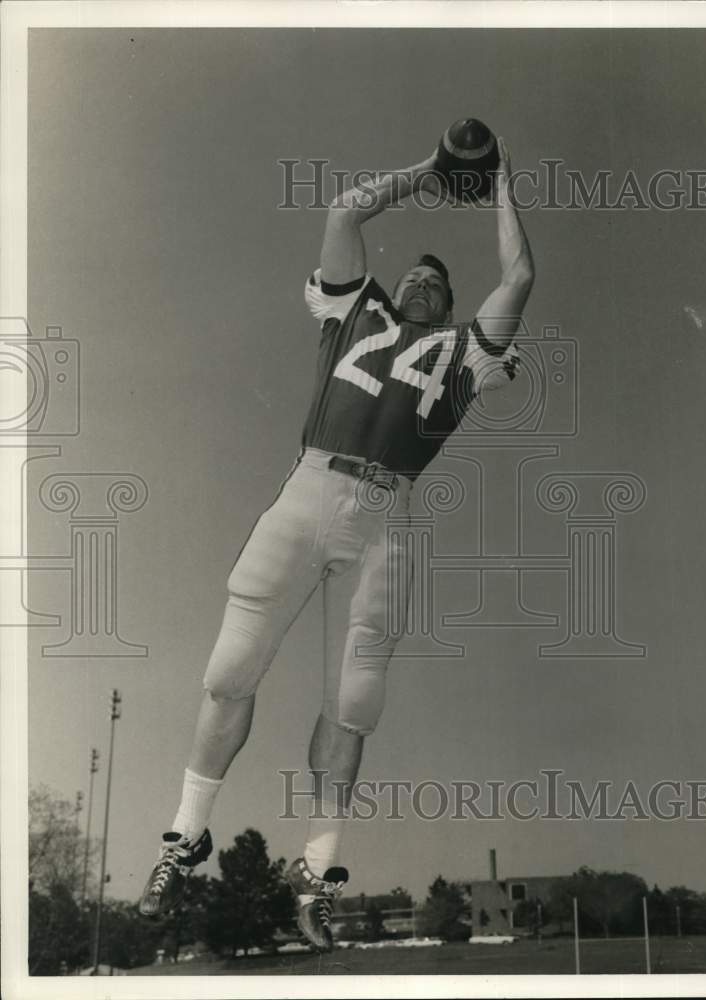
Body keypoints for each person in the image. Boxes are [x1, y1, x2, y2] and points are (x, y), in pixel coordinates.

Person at [138, 138, 534, 952]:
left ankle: (316, 874)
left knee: (354, 703)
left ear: (450, 301)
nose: (421, 281)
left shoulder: (466, 350)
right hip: (311, 486)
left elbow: (520, 277)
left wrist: (495, 183)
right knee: (227, 673)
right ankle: (186, 834)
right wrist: (432, 167)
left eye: (436, 280)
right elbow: (346, 210)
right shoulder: (355, 307)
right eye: (413, 275)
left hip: (391, 511)